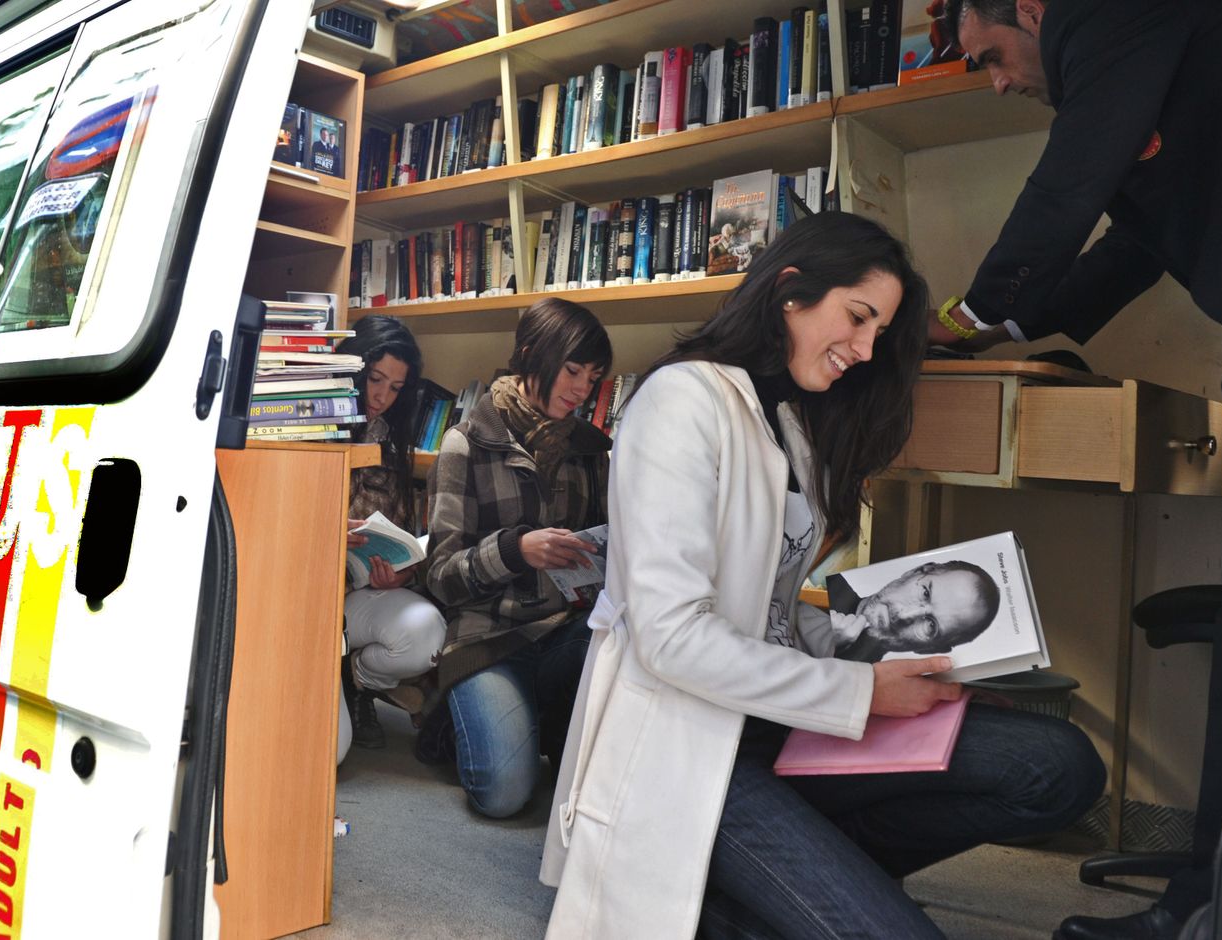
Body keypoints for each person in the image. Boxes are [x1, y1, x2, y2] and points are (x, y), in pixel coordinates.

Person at [936, 2, 1222, 937]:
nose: (1000, 81)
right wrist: (1014, 331)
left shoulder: (1105, 15)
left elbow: (1074, 177)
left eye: (991, 57)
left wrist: (963, 320)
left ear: (1028, 7)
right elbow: (1134, 244)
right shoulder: (1162, 61)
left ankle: (1220, 909)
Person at [539, 211, 1105, 939]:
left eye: (879, 332)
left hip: (783, 724)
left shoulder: (796, 428)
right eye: (858, 317)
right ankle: (741, 893)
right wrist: (862, 691)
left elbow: (768, 611)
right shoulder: (681, 402)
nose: (866, 350)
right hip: (695, 753)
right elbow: (671, 639)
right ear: (791, 291)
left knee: (1059, 765)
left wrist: (890, 658)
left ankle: (777, 891)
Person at [421, 298, 612, 818]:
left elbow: (605, 544)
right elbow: (441, 579)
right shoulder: (466, 443)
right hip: (488, 636)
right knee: (503, 795)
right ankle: (448, 720)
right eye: (572, 371)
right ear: (530, 356)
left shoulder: (592, 451)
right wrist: (515, 550)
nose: (581, 389)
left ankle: (540, 721)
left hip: (563, 633)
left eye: (593, 378)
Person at [337, 315, 446, 750]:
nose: (381, 396)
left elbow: (398, 531)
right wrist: (322, 528)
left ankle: (360, 682)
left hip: (358, 594)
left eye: (396, 387)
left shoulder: (389, 440)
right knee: (334, 752)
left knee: (425, 631)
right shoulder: (309, 421)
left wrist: (400, 573)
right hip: (304, 597)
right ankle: (337, 682)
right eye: (374, 379)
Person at [829, 560, 1001, 662]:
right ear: (915, 572)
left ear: (931, 650)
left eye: (930, 625)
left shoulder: (882, 698)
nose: (905, 615)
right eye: (925, 593)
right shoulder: (824, 583)